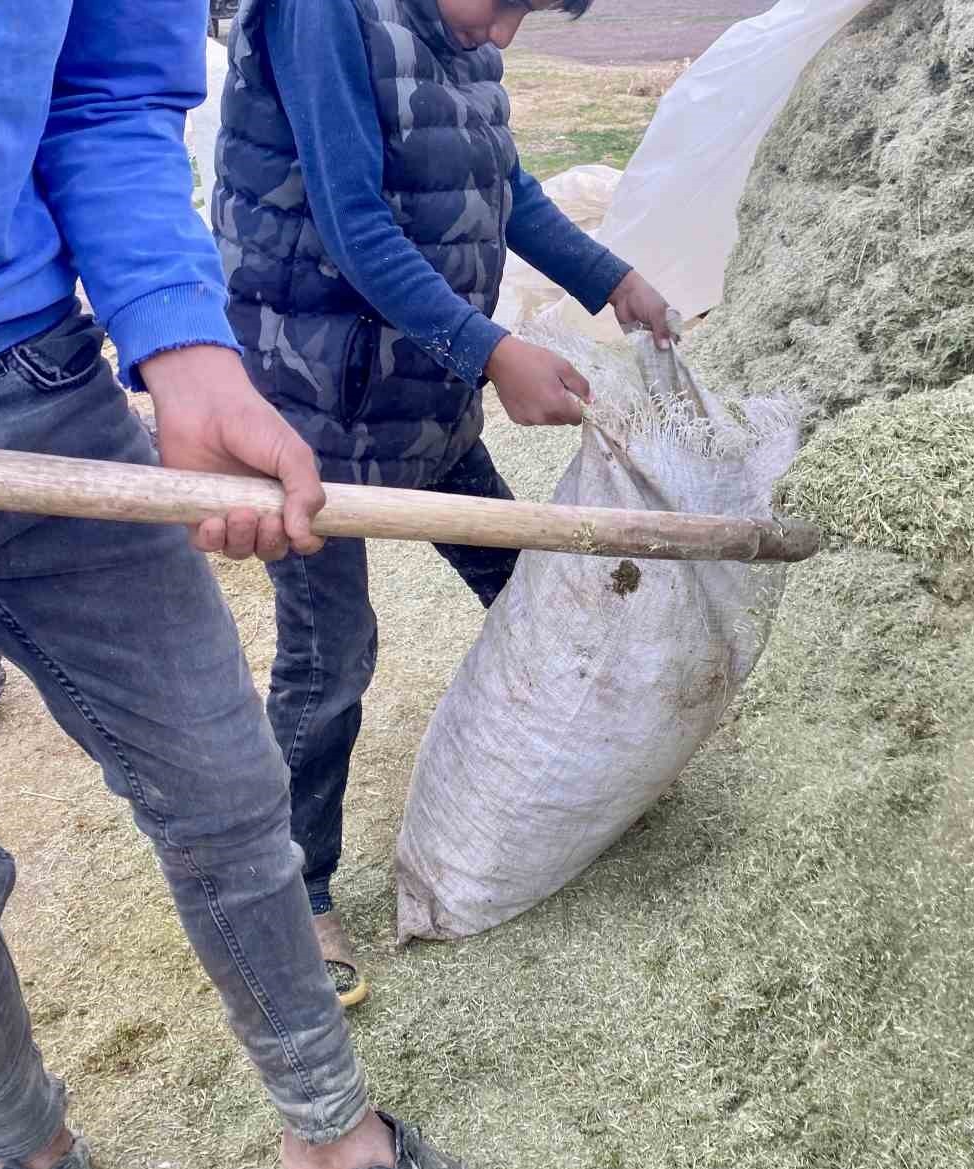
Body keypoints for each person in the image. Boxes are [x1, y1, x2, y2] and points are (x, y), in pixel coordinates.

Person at [0, 3, 512, 1169]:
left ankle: (333, 1136)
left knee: (227, 796)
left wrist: (185, 348)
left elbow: (106, 97)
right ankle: (30, 1158)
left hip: (39, 381)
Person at [214, 0, 674, 1005]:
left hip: (421, 396)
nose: (505, 33)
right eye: (506, 4)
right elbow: (353, 226)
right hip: (308, 405)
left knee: (529, 587)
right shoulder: (323, 15)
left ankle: (579, 778)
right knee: (330, 655)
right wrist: (495, 352)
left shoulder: (462, 43)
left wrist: (612, 280)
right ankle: (298, 893)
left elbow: (506, 190)